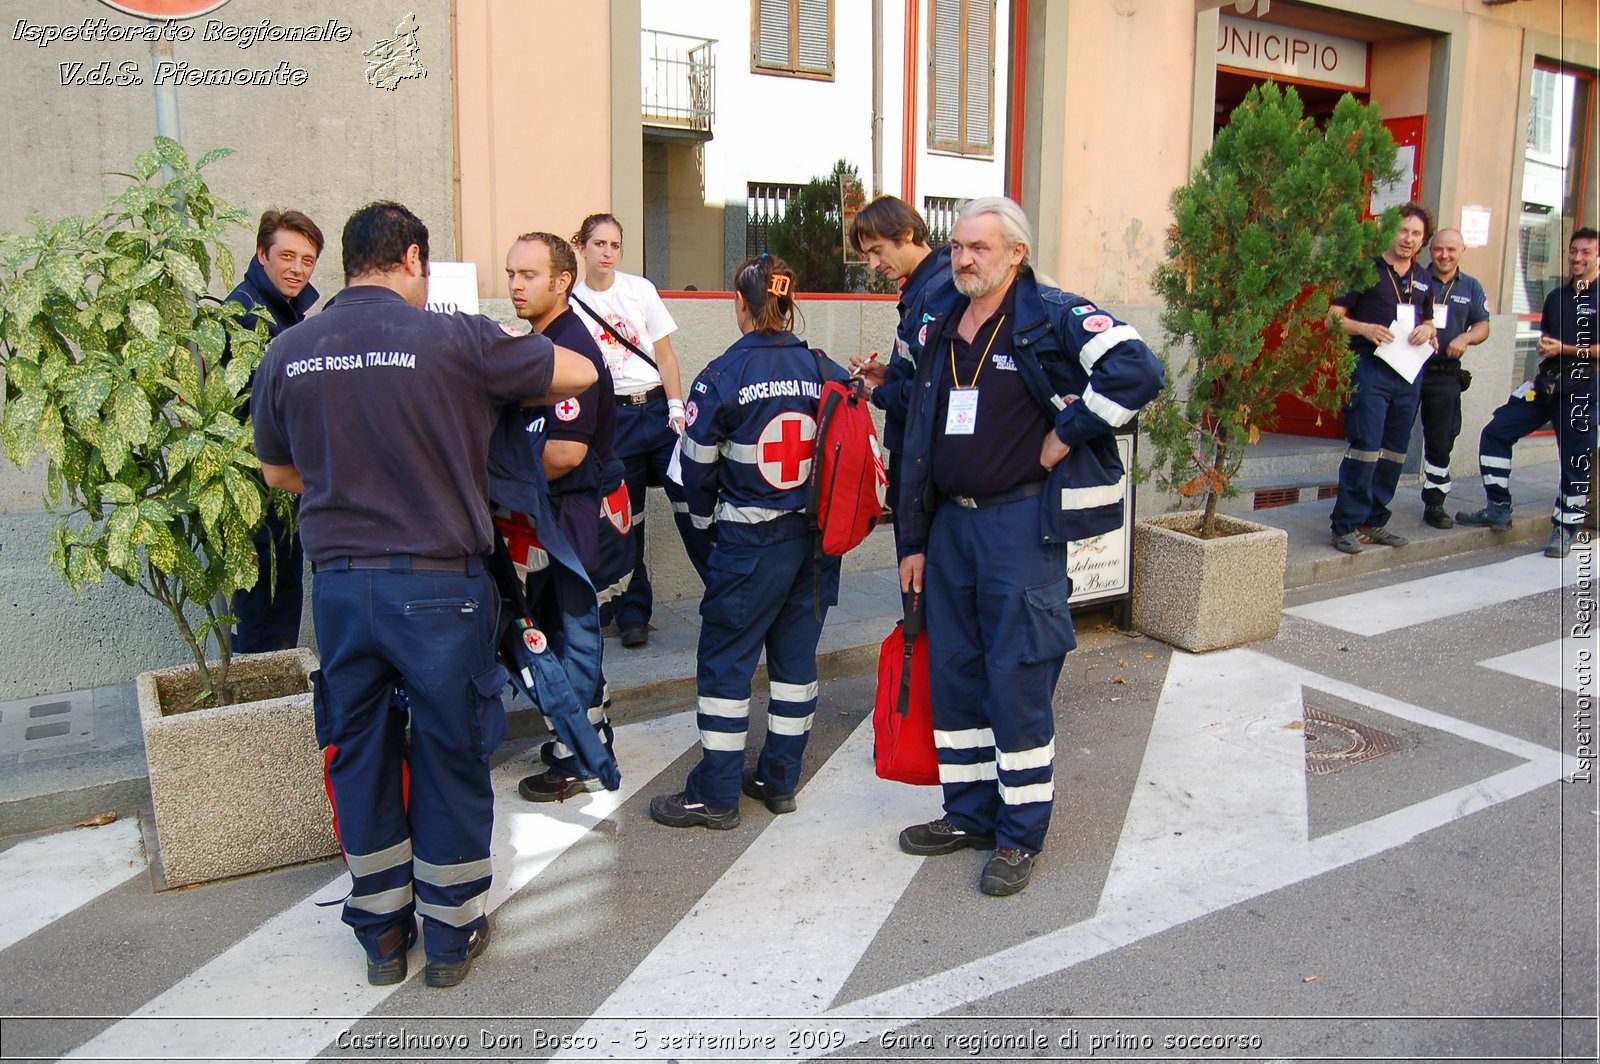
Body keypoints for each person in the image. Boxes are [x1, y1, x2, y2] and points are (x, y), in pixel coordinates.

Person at [251, 201, 596, 989]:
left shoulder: (290, 350)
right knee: (448, 751)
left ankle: (379, 937)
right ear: (413, 258)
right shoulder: (454, 337)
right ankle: (448, 937)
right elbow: (578, 373)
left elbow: (277, 471)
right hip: (441, 592)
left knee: (360, 753)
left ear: (346, 262)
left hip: (340, 589)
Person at [894, 197, 1164, 895]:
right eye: (956, 247)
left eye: (978, 248)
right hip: (950, 527)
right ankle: (969, 813)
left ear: (1015, 252)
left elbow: (1139, 371)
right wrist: (914, 539)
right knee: (955, 677)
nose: (962, 259)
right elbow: (920, 431)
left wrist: (1067, 433)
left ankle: (1019, 835)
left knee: (1016, 680)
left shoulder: (1054, 316)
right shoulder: (941, 321)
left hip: (1018, 528)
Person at [648, 255, 847, 831]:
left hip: (749, 548)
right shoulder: (820, 365)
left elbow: (695, 468)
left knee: (725, 670)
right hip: (813, 549)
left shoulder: (722, 375)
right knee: (794, 667)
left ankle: (715, 795)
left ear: (741, 304)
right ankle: (779, 779)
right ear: (787, 305)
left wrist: (708, 524)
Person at [503, 231, 622, 802]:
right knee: (550, 626)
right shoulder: (540, 340)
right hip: (546, 512)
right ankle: (577, 741)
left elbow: (565, 453)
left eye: (528, 275)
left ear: (561, 281)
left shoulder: (570, 348)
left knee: (570, 632)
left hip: (568, 512)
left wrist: (498, 480)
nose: (516, 286)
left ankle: (581, 753)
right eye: (511, 275)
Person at [569, 213, 711, 648]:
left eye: (615, 244)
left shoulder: (640, 290)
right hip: (611, 417)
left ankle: (726, 592)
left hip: (655, 409)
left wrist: (675, 406)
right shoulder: (572, 302)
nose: (608, 253)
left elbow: (665, 355)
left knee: (694, 501)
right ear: (582, 247)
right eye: (599, 244)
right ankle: (632, 613)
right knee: (626, 519)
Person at [1458, 227, 1599, 558]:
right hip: (1546, 384)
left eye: (1586, 252)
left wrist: (1564, 348)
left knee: (1575, 460)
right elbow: (1549, 341)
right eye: (1573, 251)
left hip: (1583, 388)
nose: (1577, 258)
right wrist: (1546, 348)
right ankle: (1498, 507)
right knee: (1496, 431)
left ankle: (1564, 530)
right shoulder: (1555, 297)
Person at [226, 209, 323, 653]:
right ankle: (261, 708)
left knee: (277, 592)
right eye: (287, 255)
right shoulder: (247, 315)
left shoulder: (281, 312)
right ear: (262, 255)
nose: (298, 268)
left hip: (277, 483)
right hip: (256, 485)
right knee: (262, 601)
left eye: (307, 260)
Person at [846, 196, 960, 548]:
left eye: (878, 251)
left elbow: (934, 390)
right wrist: (887, 375)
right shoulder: (922, 287)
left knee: (920, 582)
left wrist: (876, 393)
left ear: (907, 233)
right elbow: (917, 369)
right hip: (914, 451)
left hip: (926, 459)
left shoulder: (940, 292)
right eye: (868, 255)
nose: (874, 264)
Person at [1327, 202, 1438, 554]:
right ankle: (1345, 526)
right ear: (1390, 231)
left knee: (1394, 452)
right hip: (1370, 367)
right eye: (1402, 230)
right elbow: (1332, 319)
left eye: (1416, 234)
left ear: (1423, 240)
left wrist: (1427, 329)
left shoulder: (1424, 278)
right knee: (1366, 448)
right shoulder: (1362, 269)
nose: (1408, 239)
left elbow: (1431, 321)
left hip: (1408, 373)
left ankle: (1374, 523)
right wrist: (1364, 328)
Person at [1417, 228, 1491, 528]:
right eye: (1438, 249)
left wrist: (1466, 337)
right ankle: (1375, 505)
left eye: (1451, 249)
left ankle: (1435, 503)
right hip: (1411, 369)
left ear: (1462, 251)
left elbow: (1483, 327)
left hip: (1445, 374)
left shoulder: (1471, 287)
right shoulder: (1417, 280)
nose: (1444, 255)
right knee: (1391, 435)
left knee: (1441, 439)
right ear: (1430, 250)